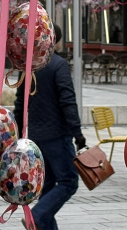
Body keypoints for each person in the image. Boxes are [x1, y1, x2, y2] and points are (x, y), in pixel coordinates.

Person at [13, 29, 85, 230]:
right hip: (58, 136)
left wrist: (18, 134)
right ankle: (35, 216)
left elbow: (20, 103)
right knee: (69, 181)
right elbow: (67, 100)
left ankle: (42, 223)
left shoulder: (28, 66)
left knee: (49, 186)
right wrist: (77, 133)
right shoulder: (58, 65)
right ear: (55, 42)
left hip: (36, 137)